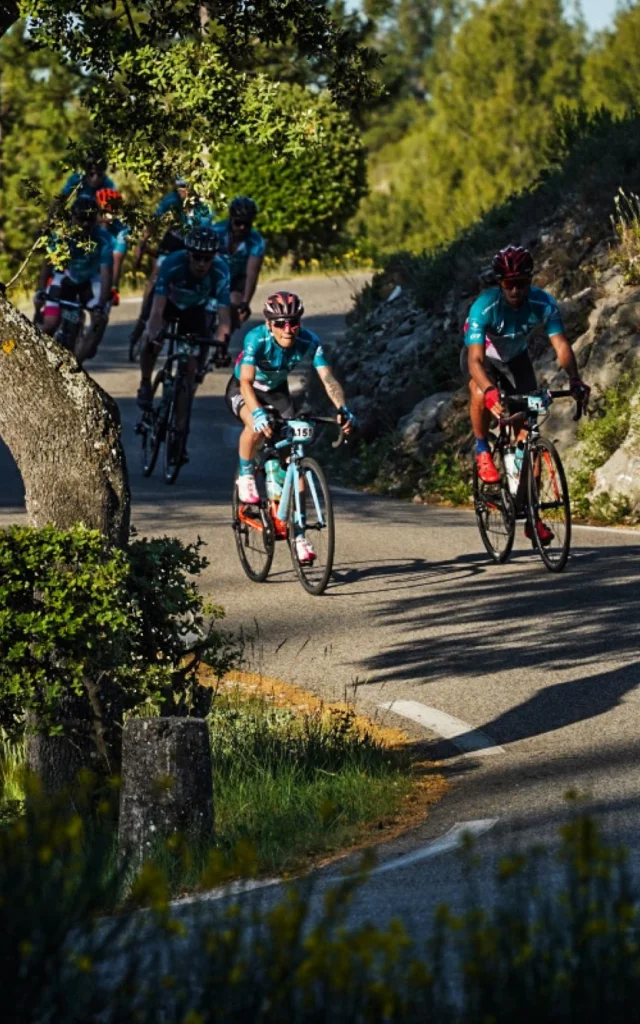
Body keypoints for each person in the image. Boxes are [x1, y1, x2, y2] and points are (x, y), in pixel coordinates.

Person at [463, 244, 590, 544]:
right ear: (500, 284)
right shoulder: (485, 306)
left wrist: (575, 380)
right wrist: (491, 391)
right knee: (478, 391)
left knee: (528, 434)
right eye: (509, 284)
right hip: (486, 359)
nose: (516, 290)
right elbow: (475, 361)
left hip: (516, 360)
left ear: (530, 281)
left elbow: (560, 344)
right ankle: (483, 448)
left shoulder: (543, 302)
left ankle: (533, 517)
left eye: (521, 283)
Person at [225, 291, 355, 564]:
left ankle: (298, 536)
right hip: (244, 389)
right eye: (281, 323)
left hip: (276, 393)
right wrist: (258, 413)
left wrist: (341, 409)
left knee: (293, 458)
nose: (288, 330)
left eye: (293, 323)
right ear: (269, 324)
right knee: (257, 426)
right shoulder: (256, 339)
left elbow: (327, 378)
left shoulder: (309, 341)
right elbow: (246, 384)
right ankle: (247, 476)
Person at [136, 226, 231, 457]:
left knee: (189, 370)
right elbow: (157, 309)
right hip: (168, 305)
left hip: (194, 310)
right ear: (188, 254)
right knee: (150, 339)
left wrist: (222, 345)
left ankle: (179, 432)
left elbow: (224, 317)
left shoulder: (220, 270)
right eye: (197, 257)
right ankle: (146, 382)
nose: (202, 263)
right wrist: (155, 332)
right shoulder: (172, 262)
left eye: (207, 258)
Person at [129, 179, 216, 348]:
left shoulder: (204, 209)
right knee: (157, 274)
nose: (184, 191)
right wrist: (143, 242)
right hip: (173, 242)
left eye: (187, 188)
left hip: (194, 246)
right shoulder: (170, 201)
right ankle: (143, 317)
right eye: (180, 187)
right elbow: (154, 223)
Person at [34, 196, 113, 364]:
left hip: (89, 280)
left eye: (90, 220)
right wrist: (40, 290)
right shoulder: (61, 235)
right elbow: (47, 264)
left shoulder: (104, 238)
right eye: (81, 219)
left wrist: (101, 304)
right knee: (49, 325)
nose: (85, 224)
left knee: (101, 318)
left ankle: (78, 364)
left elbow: (106, 274)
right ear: (72, 218)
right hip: (65, 277)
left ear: (96, 218)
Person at [212, 196, 265, 328]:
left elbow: (252, 274)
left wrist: (245, 302)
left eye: (247, 224)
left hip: (236, 278)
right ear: (230, 218)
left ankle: (223, 342)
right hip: (213, 273)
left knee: (235, 306)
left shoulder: (256, 241)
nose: (242, 227)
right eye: (238, 223)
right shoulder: (216, 232)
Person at [96, 188, 129, 302]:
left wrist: (113, 287)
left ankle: (113, 289)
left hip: (106, 268)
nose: (108, 216)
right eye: (104, 212)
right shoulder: (87, 220)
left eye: (111, 212)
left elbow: (117, 259)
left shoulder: (122, 229)